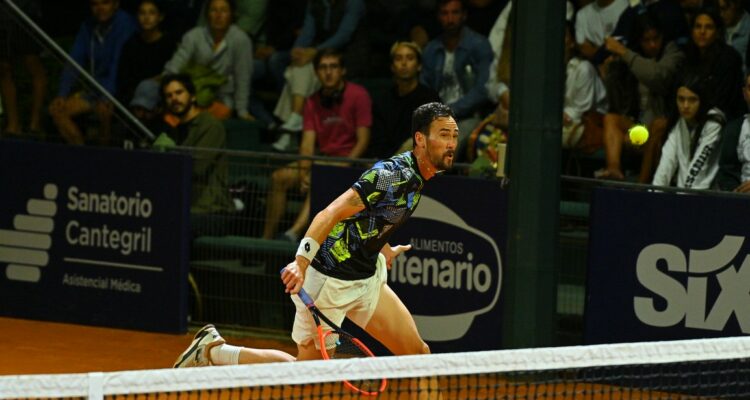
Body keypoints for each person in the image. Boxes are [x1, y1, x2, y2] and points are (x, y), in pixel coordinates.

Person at [173, 102, 454, 367]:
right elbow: (330, 213)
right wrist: (300, 261)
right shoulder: (390, 175)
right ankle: (213, 351)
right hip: (329, 281)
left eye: (454, 135)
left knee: (419, 355)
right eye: (444, 135)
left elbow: (373, 218)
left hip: (366, 278)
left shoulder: (419, 177)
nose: (452, 143)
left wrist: (383, 247)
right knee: (304, 371)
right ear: (420, 139)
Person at [262, 48, 371, 242]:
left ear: (342, 71)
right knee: (279, 177)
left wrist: (341, 167)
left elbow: (363, 140)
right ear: (316, 72)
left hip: (350, 164)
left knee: (320, 178)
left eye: (333, 67)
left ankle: (293, 232)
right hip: (322, 160)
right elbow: (307, 144)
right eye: (323, 68)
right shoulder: (312, 102)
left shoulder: (358, 95)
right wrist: (304, 172)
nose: (328, 72)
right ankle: (265, 240)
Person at [597, 11, 683, 182]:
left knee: (659, 125)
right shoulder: (630, 58)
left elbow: (657, 77)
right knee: (611, 119)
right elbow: (617, 100)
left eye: (655, 38)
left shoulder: (673, 53)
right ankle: (614, 169)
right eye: (646, 40)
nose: (652, 45)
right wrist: (610, 73)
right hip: (639, 128)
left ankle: (641, 185)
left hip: (663, 129)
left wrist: (624, 53)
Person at [48, 0, 138, 145]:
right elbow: (74, 60)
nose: (100, 8)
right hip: (97, 88)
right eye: (95, 4)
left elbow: (118, 65)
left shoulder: (125, 24)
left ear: (116, 4)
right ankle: (83, 155)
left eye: (105, 3)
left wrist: (107, 96)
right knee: (57, 110)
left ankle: (103, 158)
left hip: (122, 88)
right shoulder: (89, 25)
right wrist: (62, 94)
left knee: (104, 111)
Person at [159, 74, 235, 220]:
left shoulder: (210, 126)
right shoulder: (174, 131)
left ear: (192, 97)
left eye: (179, 92)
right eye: (169, 96)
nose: (174, 98)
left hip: (211, 209)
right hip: (186, 206)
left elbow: (196, 168)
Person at [163, 0, 254, 121]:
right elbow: (176, 65)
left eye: (223, 10)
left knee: (212, 120)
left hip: (223, 96)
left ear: (231, 15)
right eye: (214, 10)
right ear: (207, 15)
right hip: (192, 93)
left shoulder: (241, 40)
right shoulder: (193, 36)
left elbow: (243, 77)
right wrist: (167, 88)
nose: (218, 15)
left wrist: (242, 111)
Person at [421, 0, 493, 150]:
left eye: (455, 13)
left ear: (464, 15)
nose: (450, 19)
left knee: (442, 148)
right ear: (438, 17)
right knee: (411, 147)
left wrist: (449, 111)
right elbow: (424, 88)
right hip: (435, 119)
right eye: (445, 13)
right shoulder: (431, 49)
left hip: (469, 117)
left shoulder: (479, 45)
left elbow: (483, 89)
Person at [368, 41, 441, 158]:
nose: (404, 63)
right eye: (398, 58)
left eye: (410, 58)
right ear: (392, 66)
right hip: (385, 163)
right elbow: (377, 141)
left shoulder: (430, 99)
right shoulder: (382, 101)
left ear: (419, 66)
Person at [652, 74, 725, 189]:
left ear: (702, 100)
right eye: (681, 99)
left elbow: (699, 170)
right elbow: (666, 164)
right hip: (686, 194)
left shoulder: (714, 123)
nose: (685, 106)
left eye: (692, 100)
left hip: (708, 196)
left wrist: (685, 198)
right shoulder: (680, 122)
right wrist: (655, 195)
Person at [116, 0, 177, 107]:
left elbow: (170, 75)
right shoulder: (131, 43)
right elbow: (123, 77)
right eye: (142, 13)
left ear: (160, 17)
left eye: (152, 13)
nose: (146, 17)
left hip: (159, 97)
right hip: (131, 98)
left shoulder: (169, 44)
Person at [0, 0, 46, 137]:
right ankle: (13, 125)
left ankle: (35, 124)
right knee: (3, 68)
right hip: (3, 16)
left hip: (26, 12)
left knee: (32, 63)